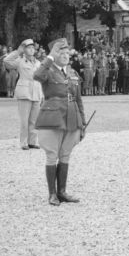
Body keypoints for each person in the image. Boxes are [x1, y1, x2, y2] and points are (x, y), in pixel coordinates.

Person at [33, 38, 86, 206]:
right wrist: (49, 57)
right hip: (53, 117)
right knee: (51, 155)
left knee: (65, 154)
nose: (65, 56)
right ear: (53, 54)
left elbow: (78, 99)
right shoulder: (47, 70)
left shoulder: (72, 73)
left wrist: (82, 122)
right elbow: (37, 75)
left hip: (71, 117)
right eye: (60, 53)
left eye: (66, 53)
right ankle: (52, 194)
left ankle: (62, 191)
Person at [4, 39, 44, 150]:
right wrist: (17, 52)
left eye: (33, 48)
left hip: (36, 92)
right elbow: (6, 61)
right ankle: (24, 142)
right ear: (24, 49)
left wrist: (42, 94)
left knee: (34, 120)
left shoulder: (38, 63)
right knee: (24, 120)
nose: (31, 50)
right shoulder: (20, 61)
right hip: (24, 92)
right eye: (28, 47)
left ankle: (32, 141)